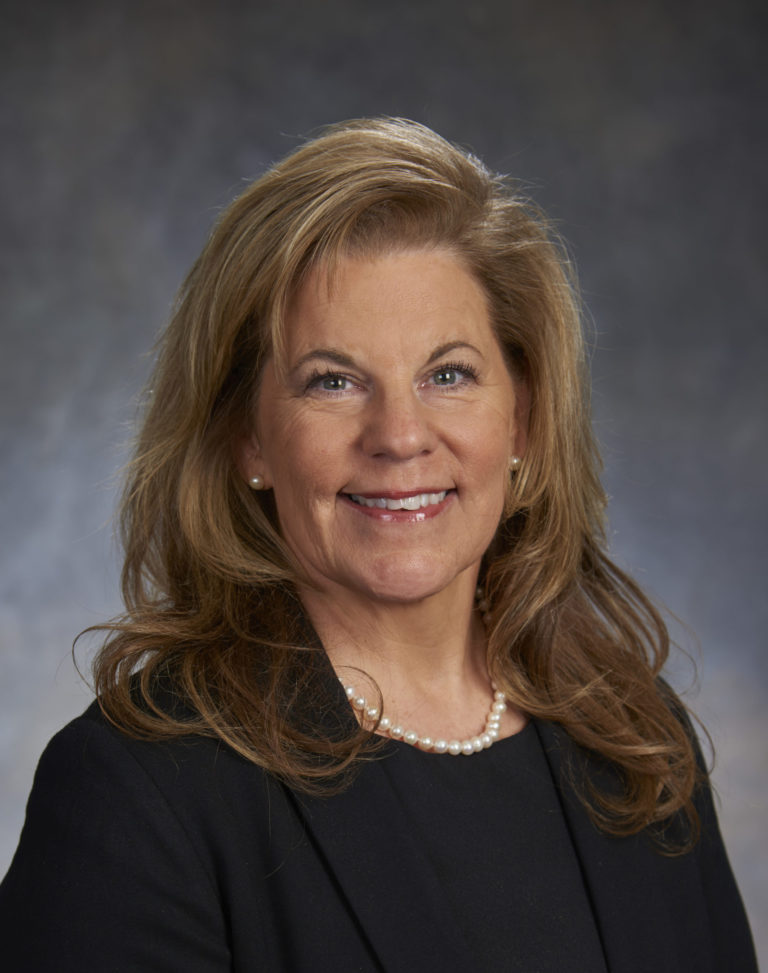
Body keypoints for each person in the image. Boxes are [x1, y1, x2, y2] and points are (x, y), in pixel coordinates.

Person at [0, 118, 757, 972]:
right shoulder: (137, 792)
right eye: (333, 380)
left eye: (449, 374)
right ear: (248, 438)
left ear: (524, 417)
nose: (400, 436)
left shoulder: (636, 740)